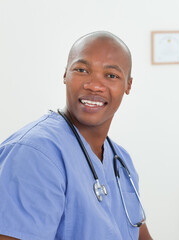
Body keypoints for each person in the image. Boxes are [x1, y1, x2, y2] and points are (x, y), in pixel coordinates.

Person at [0, 31, 152, 240]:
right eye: (82, 70)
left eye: (111, 75)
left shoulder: (121, 161)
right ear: (65, 75)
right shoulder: (33, 155)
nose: (94, 85)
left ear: (128, 85)